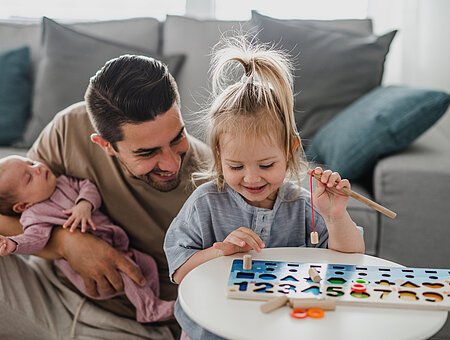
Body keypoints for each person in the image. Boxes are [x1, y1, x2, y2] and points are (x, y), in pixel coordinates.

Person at [164, 38, 365, 339]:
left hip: (284, 328)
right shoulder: (205, 203)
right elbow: (180, 271)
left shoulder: (304, 206)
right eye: (236, 167)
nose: (251, 178)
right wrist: (222, 251)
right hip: (210, 330)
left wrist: (335, 216)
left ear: (290, 151)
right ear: (218, 156)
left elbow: (349, 260)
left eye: (266, 165)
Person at [0, 55, 211, 339]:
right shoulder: (68, 129)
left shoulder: (211, 181)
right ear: (105, 145)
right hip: (48, 293)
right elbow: (7, 214)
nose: (172, 164)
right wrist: (67, 243)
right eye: (147, 152)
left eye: (177, 138)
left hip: (138, 325)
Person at [0, 155, 175, 323]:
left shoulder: (63, 182)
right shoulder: (34, 215)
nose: (37, 169)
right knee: (129, 272)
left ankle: (150, 298)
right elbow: (35, 239)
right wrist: (14, 244)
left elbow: (88, 187)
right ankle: (149, 309)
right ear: (23, 205)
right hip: (91, 267)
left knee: (148, 264)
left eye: (31, 163)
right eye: (29, 178)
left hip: (112, 241)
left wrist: (85, 204)